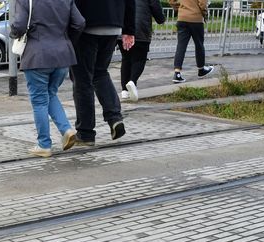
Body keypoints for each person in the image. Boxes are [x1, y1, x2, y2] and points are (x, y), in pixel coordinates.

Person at [11, 0, 86, 157]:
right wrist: (65, 41)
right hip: (63, 56)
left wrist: (14, 34)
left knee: (39, 101)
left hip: (37, 55)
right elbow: (79, 23)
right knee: (50, 93)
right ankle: (66, 130)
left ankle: (44, 144)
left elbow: (19, 25)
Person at [71, 0, 135, 147]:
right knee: (100, 72)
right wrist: (129, 29)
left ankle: (85, 133)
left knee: (82, 79)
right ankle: (114, 118)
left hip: (86, 23)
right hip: (113, 24)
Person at [119, 0, 166, 102]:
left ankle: (124, 91)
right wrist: (161, 19)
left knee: (126, 58)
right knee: (139, 59)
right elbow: (155, 7)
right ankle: (132, 81)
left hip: (123, 28)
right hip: (141, 30)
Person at [169, 0, 214, 83]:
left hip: (182, 18)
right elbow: (203, 3)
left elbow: (171, 0)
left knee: (181, 46)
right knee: (199, 45)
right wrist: (205, 13)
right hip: (196, 19)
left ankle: (177, 73)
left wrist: (179, 8)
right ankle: (201, 69)